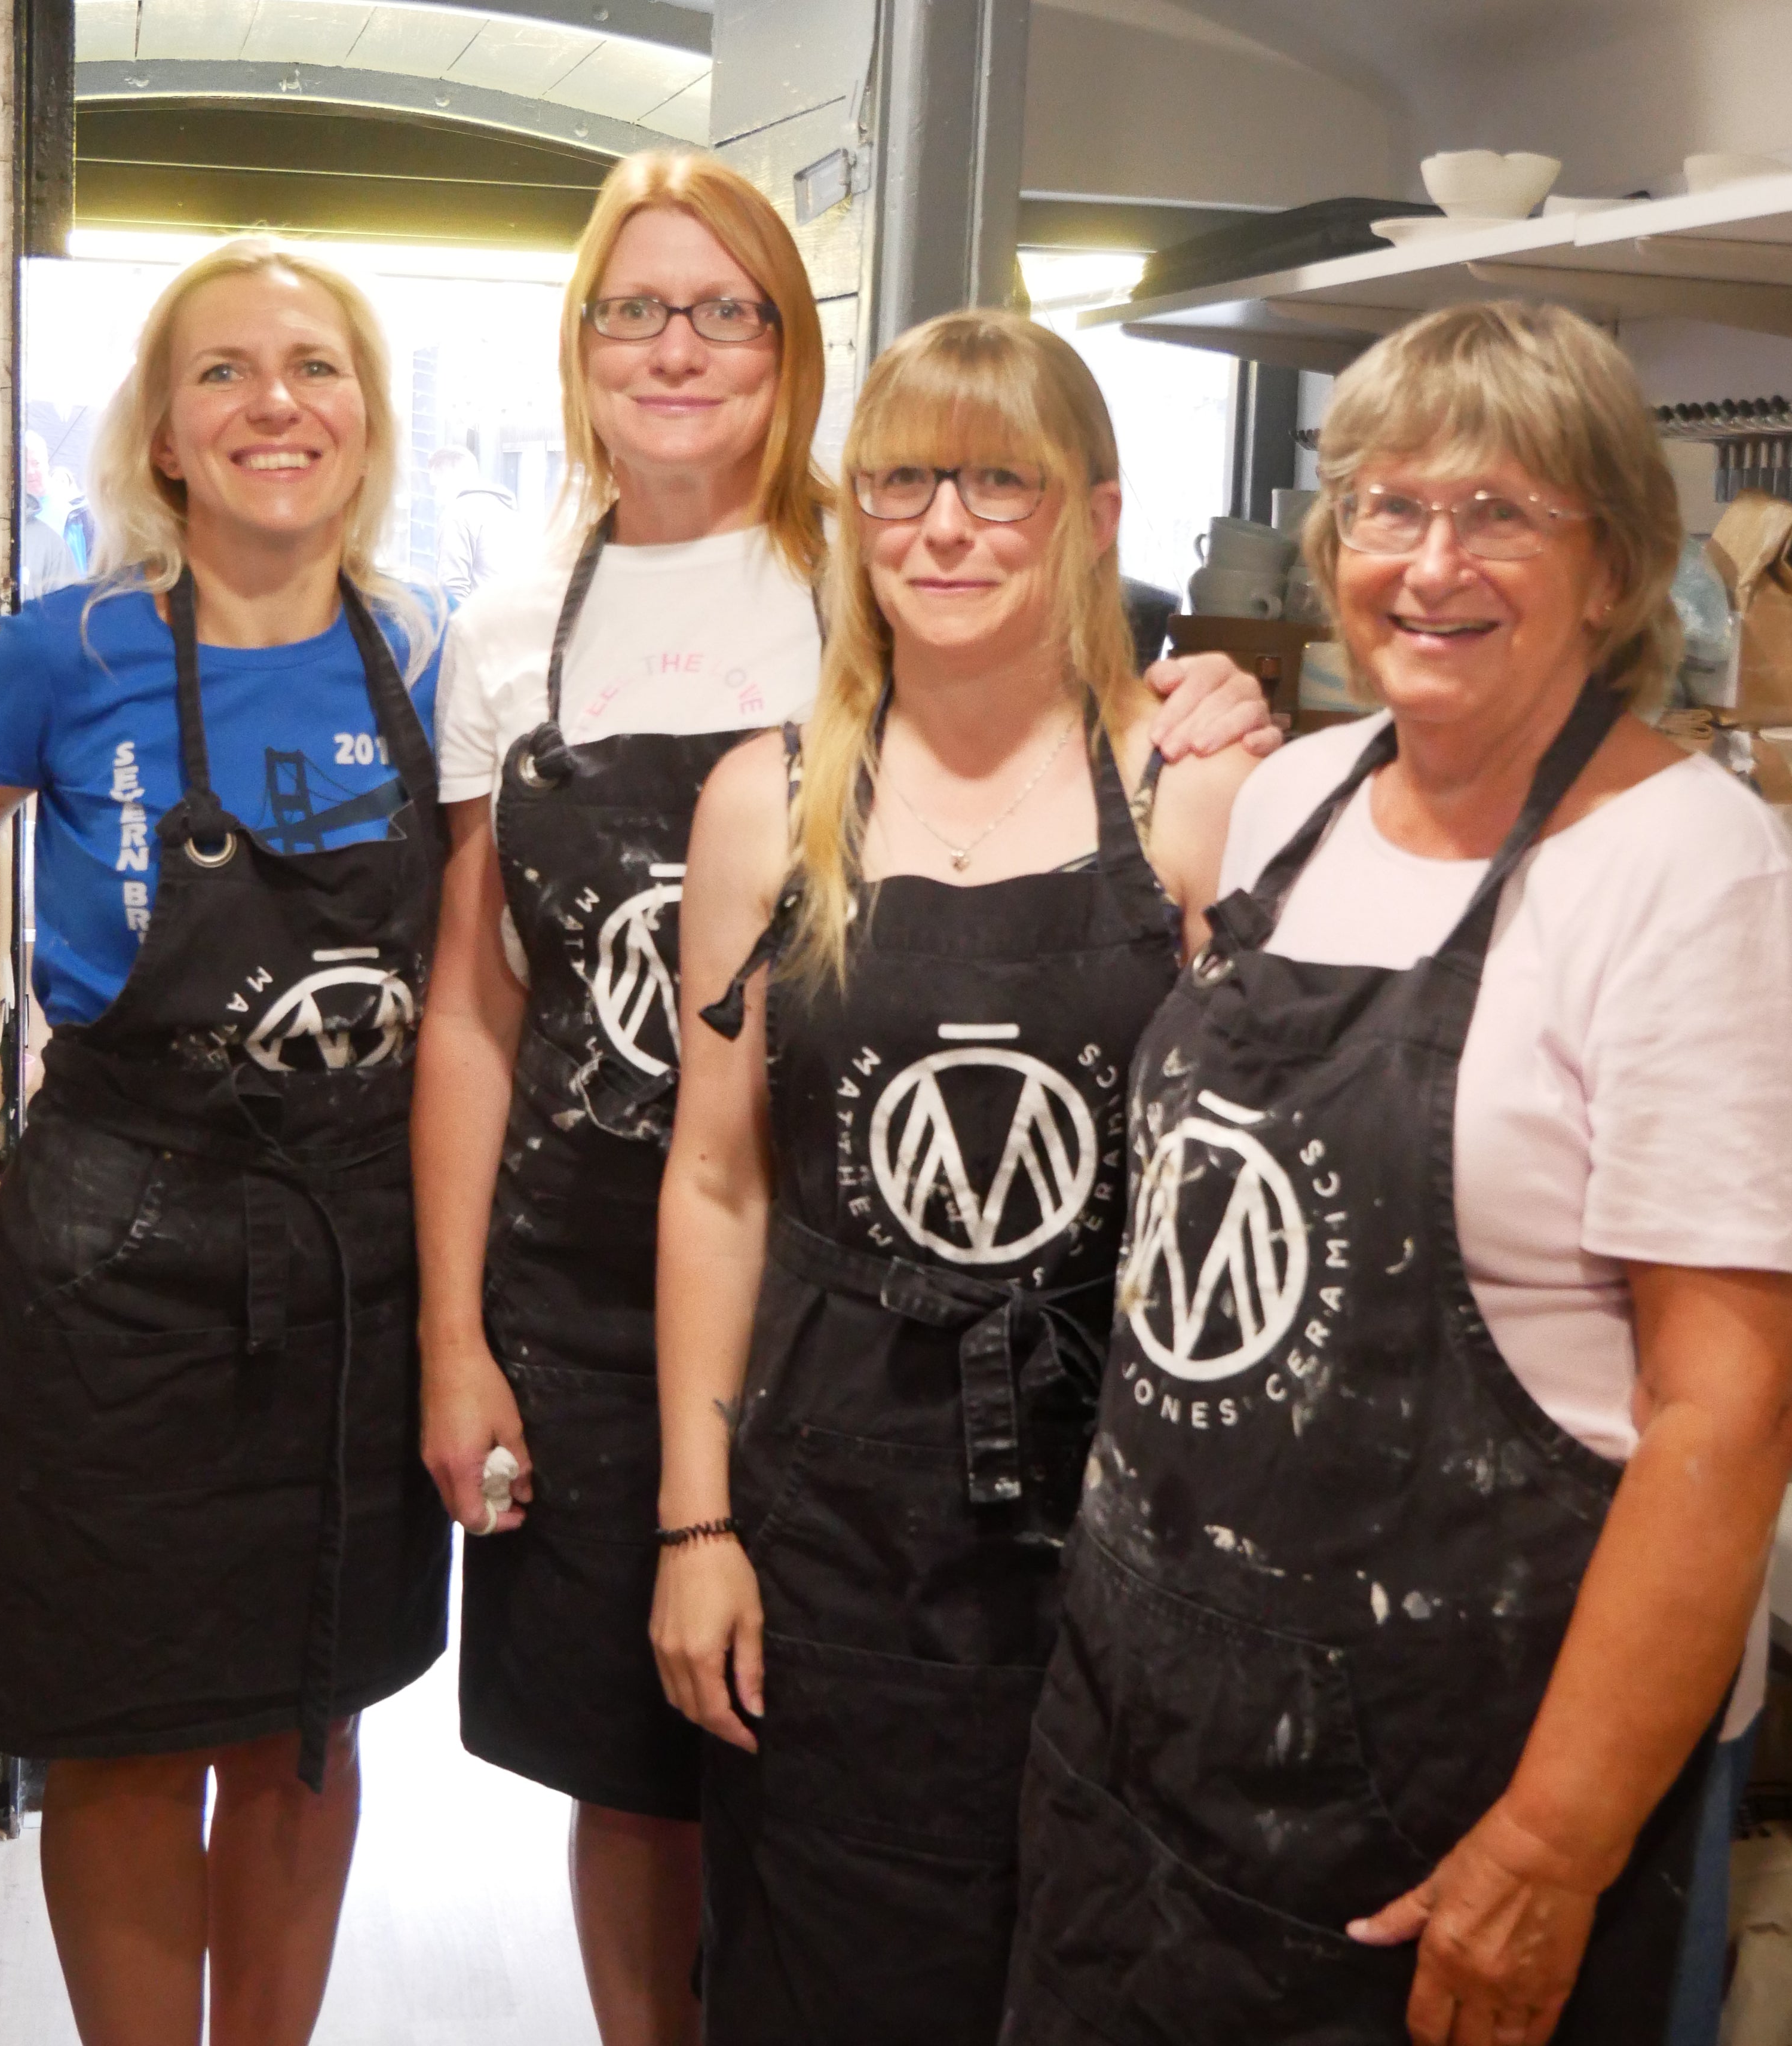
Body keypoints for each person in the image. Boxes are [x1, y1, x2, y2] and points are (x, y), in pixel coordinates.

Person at [412, 150, 1276, 2046]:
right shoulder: (532, 642)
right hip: (685, 1336)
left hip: (1054, 1427)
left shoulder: (1079, 719)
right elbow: (488, 1011)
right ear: (575, 346)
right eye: (633, 307)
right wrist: (462, 1336)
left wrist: (1220, 693)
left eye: (725, 306)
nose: (945, 526)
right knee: (663, 1799)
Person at [1001, 299, 1792, 2046]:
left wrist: (1547, 1841)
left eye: (1502, 514)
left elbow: (1728, 1407)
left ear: (1612, 566)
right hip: (1144, 1728)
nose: (1430, 562)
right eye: (1386, 508)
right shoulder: (1290, 798)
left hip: (1454, 1784)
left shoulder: (1690, 873)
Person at [648, 308, 1261, 2045]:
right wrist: (696, 1522)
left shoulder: (1201, 794)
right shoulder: (764, 803)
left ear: (1095, 514)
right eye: (902, 479)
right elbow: (713, 1186)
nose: (943, 523)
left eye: (1000, 480)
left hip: (1124, 1517)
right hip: (834, 1520)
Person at [0, 237, 450, 2046]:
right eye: (224, 372)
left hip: (356, 1256)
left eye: (314, 365)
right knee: (118, 1736)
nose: (274, 400)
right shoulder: (74, 647)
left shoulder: (434, 652)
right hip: (107, 1264)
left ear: (364, 418)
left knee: (304, 1721)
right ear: (167, 437)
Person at [430, 443, 520, 603]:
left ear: (448, 478)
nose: (436, 495)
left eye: (436, 486)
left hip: (483, 624)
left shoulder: (457, 514)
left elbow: (453, 591)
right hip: (515, 619)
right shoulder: (508, 512)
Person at [22, 427, 81, 599]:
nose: (31, 471)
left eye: (36, 463)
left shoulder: (72, 513)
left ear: (48, 463)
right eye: (25, 464)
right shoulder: (9, 520)